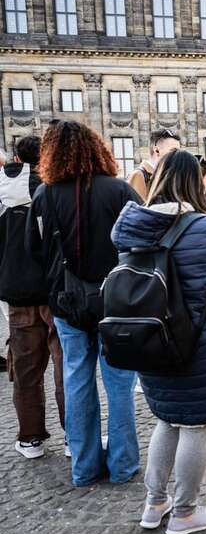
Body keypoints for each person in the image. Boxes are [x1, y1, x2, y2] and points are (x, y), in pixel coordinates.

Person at [111, 149, 206, 534]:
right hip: (198, 344)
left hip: (150, 338)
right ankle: (185, 512)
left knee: (168, 418)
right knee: (196, 425)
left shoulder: (131, 225)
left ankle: (154, 503)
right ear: (193, 182)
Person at [28, 120, 141, 487]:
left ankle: (84, 468)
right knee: (120, 383)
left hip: (67, 302)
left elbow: (34, 248)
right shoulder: (119, 190)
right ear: (98, 148)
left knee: (76, 379)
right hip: (117, 302)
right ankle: (123, 466)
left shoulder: (45, 194)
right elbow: (145, 240)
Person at [0, 135, 65, 459]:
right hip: (53, 292)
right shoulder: (53, 189)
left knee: (25, 371)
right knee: (65, 367)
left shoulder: (2, 192)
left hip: (17, 293)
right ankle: (74, 436)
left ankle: (30, 438)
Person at [127, 129, 181, 201]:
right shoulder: (139, 175)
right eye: (173, 151)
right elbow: (137, 210)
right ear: (156, 150)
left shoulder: (170, 175)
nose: (178, 155)